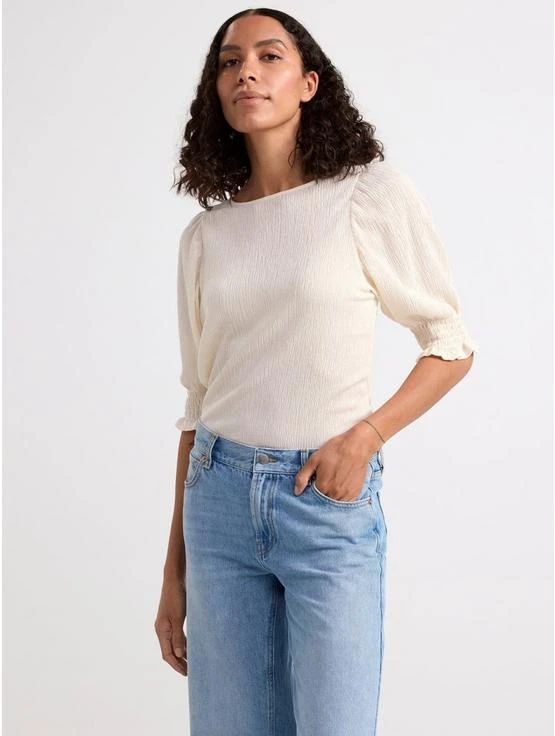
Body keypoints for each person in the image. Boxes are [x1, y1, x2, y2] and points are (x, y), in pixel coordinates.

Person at [155, 8, 478, 736]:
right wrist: (173, 574)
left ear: (308, 84)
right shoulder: (205, 236)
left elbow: (450, 344)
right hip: (217, 506)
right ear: (216, 90)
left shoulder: (365, 196)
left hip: (325, 505)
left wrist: (365, 437)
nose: (246, 72)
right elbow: (197, 405)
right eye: (229, 61)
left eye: (268, 56)